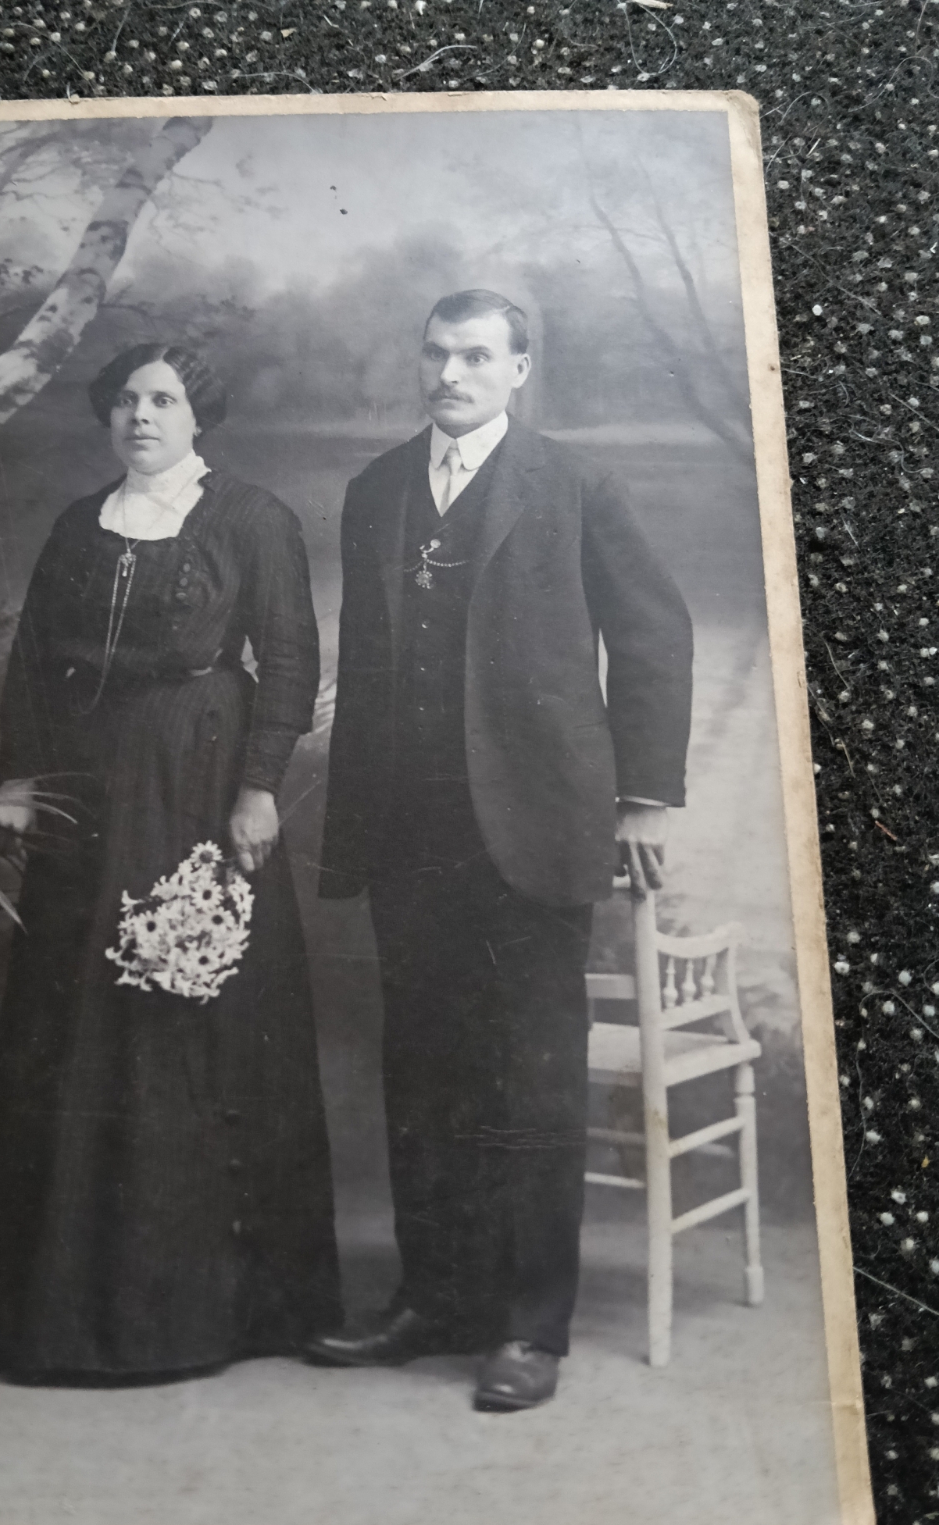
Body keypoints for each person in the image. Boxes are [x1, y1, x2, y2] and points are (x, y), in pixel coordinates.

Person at [309, 290, 693, 1412]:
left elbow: (655, 634)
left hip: (536, 829)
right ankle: (437, 1299)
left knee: (529, 1081)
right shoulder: (377, 489)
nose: (450, 374)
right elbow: (374, 670)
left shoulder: (573, 485)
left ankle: (531, 1327)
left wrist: (646, 800)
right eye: (434, 353)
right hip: (408, 830)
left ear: (521, 369)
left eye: (476, 356)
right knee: (422, 1072)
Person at [0, 343, 341, 1381]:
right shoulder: (82, 524)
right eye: (124, 400)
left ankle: (198, 1309)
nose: (142, 416)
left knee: (182, 1000)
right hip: (83, 789)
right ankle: (59, 1304)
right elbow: (33, 658)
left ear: (198, 411)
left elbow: (290, 659)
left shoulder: (251, 519)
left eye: (163, 399)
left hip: (197, 778)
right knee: (73, 1010)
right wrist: (20, 781)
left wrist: (258, 787)